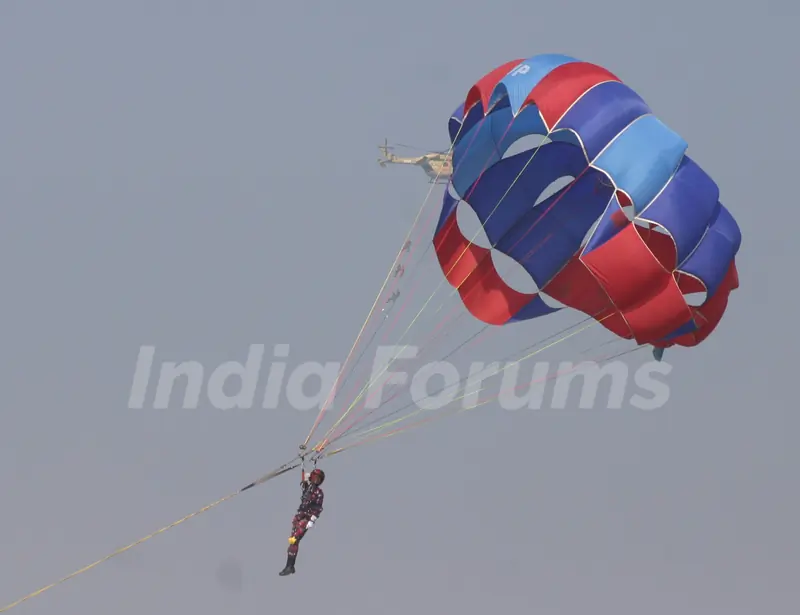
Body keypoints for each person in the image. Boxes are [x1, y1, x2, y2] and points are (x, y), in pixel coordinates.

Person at [278, 465, 325, 576]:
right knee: (293, 541)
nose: (316, 480)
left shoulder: (319, 492)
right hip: (299, 516)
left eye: (318, 479)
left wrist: (312, 520)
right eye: (315, 477)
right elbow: (305, 478)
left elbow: (318, 507)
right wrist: (303, 463)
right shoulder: (308, 486)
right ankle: (290, 565)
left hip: (307, 517)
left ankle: (290, 566)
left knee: (294, 539)